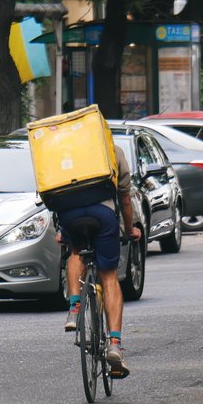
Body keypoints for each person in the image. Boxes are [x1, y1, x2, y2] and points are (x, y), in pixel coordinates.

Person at [57, 138, 141, 378]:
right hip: (103, 215)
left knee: (75, 252)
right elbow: (124, 197)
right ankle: (114, 344)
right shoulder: (112, 149)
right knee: (109, 276)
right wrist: (128, 229)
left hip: (71, 214)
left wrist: (63, 229)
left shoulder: (64, 149)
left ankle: (74, 307)